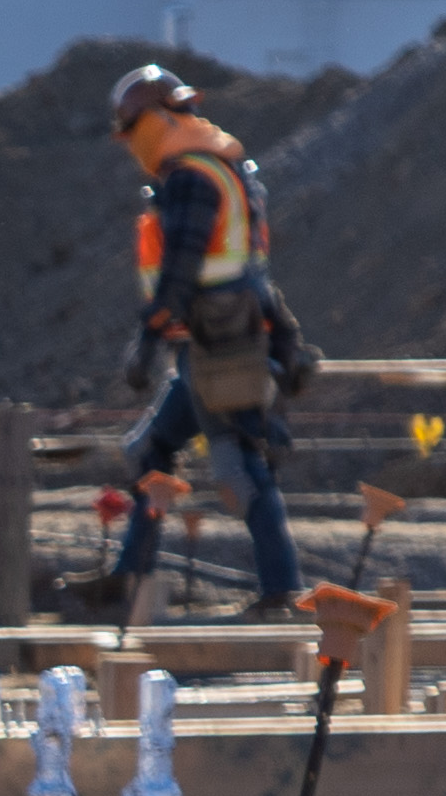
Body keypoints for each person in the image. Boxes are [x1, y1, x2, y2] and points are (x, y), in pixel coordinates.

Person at [97, 61, 307, 618]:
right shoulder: (220, 168)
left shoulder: (193, 177)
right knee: (149, 450)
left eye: (131, 131)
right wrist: (286, 336)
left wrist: (146, 337)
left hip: (217, 348)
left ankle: (281, 592)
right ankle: (130, 577)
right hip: (210, 344)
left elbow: (183, 269)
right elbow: (252, 269)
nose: (129, 145)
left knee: (238, 467)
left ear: (156, 120)